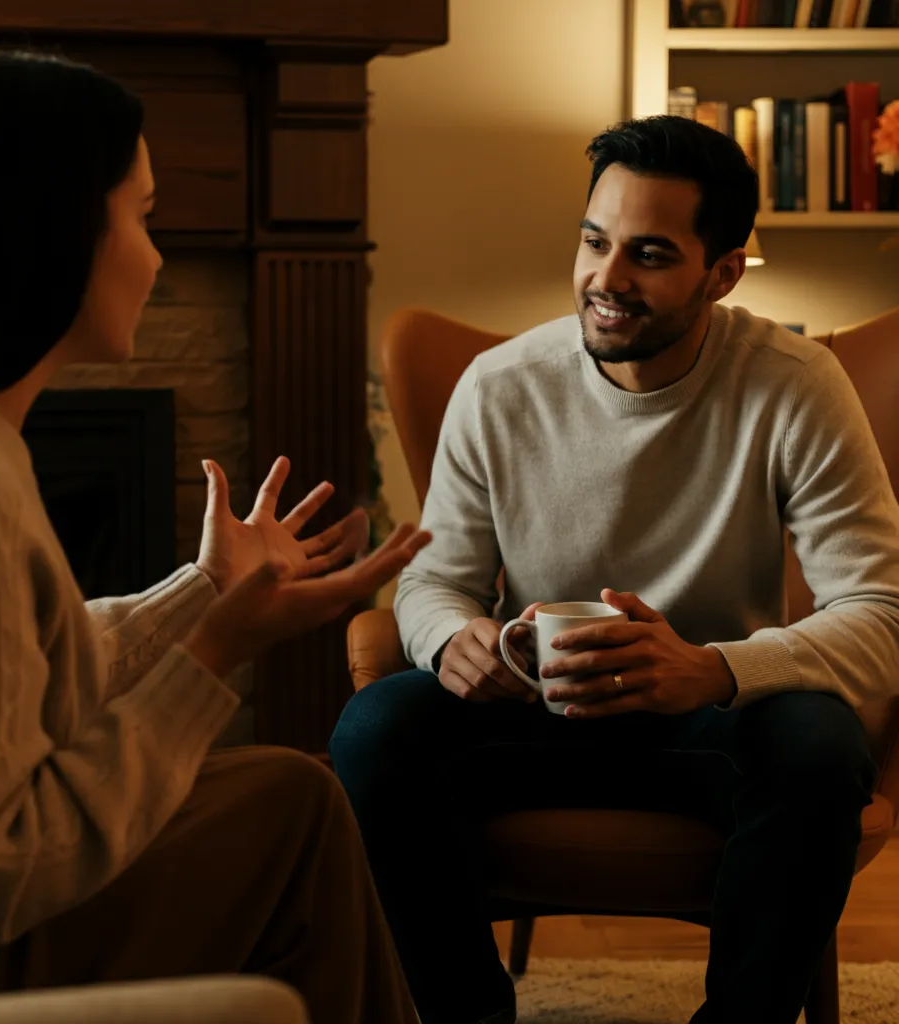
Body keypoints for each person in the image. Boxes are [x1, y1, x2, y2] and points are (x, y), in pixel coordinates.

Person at [0, 50, 430, 1024]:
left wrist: (206, 590)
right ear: (54, 233)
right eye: (141, 215)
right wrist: (215, 650)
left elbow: (12, 682)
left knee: (287, 793)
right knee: (290, 815)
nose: (157, 255)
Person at [330, 115, 899, 1024]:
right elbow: (433, 580)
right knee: (373, 729)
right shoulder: (500, 386)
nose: (605, 279)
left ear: (721, 273)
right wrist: (451, 642)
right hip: (532, 714)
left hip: (707, 722)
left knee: (820, 747)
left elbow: (881, 611)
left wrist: (714, 669)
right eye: (594, 242)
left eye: (649, 254)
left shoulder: (793, 385)